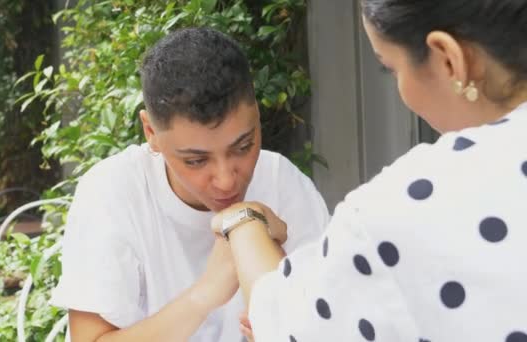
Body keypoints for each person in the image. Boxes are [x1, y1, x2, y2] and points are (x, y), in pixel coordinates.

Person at [211, 0, 527, 341]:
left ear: (448, 59)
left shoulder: (410, 206)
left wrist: (243, 221)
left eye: (389, 68)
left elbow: (280, 324)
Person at [50, 27, 330, 341]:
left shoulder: (282, 181)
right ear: (151, 133)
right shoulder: (113, 192)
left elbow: (331, 325)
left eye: (243, 146)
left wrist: (251, 229)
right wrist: (205, 294)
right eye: (196, 160)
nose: (226, 181)